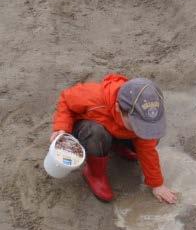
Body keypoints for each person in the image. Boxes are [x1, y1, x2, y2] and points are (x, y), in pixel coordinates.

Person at [50, 74, 177, 204]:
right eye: (136, 124)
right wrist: (61, 128)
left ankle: (118, 146)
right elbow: (66, 100)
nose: (141, 128)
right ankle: (95, 174)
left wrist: (157, 184)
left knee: (151, 135)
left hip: (117, 131)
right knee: (96, 133)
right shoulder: (93, 96)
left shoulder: (140, 113)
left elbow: (148, 150)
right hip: (90, 129)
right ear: (118, 108)